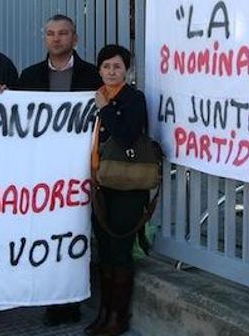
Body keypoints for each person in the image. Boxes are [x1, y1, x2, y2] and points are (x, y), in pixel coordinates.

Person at [17, 14, 101, 327]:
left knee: (75, 232)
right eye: (50, 33)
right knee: (47, 234)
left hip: (81, 169)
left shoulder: (93, 75)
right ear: (45, 39)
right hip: (42, 170)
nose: (56, 39)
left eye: (63, 33)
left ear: (74, 39)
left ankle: (71, 301)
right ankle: (52, 301)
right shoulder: (29, 76)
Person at [86, 44, 149, 336]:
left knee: (121, 250)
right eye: (106, 67)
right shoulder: (94, 96)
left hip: (125, 186)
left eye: (117, 67)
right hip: (99, 183)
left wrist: (106, 108)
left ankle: (118, 318)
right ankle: (104, 312)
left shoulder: (133, 98)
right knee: (105, 251)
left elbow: (126, 135)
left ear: (127, 70)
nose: (111, 72)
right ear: (99, 69)